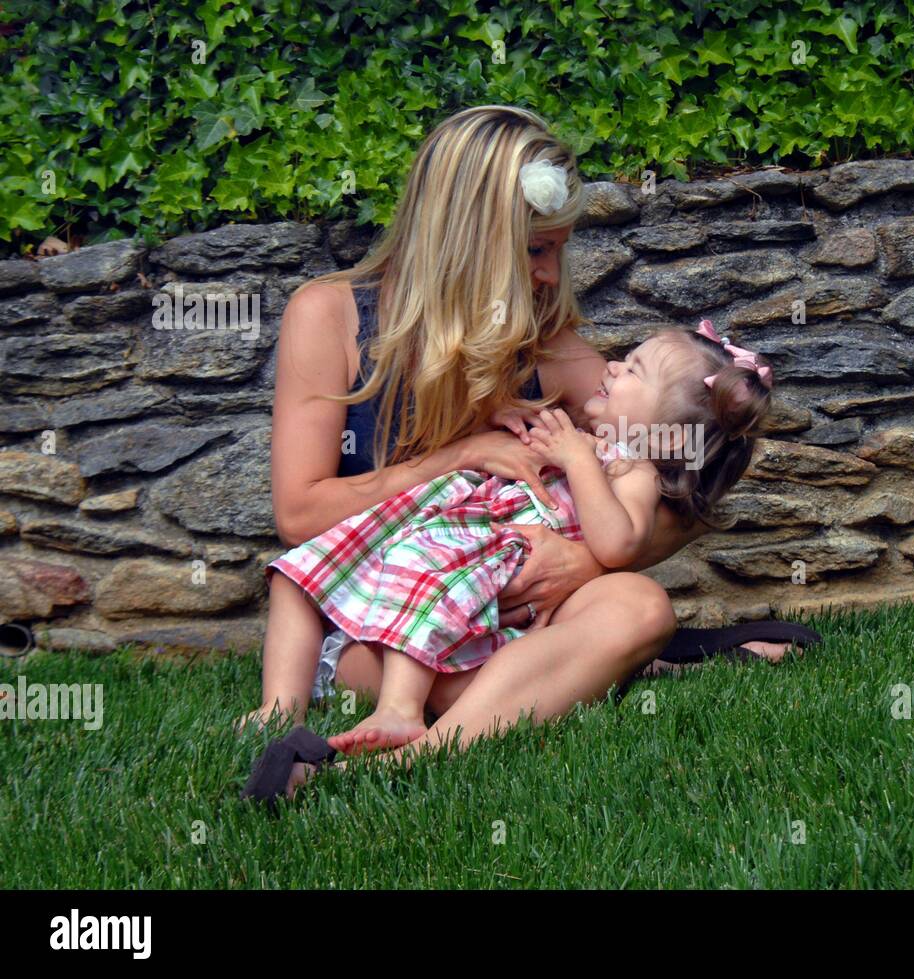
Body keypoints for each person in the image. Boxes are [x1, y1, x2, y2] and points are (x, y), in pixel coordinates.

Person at [244, 105, 814, 769]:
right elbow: (299, 514)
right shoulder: (331, 315)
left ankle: (425, 749)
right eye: (535, 249)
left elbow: (680, 455)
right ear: (467, 236)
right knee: (424, 674)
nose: (549, 274)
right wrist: (456, 458)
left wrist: (587, 561)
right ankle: (609, 674)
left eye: (559, 250)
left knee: (638, 605)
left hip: (500, 614)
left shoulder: (541, 340)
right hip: (382, 616)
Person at [259, 322, 774, 757]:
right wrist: (507, 425)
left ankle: (406, 715)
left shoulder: (632, 468)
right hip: (448, 579)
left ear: (663, 431)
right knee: (301, 574)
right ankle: (279, 712)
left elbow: (620, 544)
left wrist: (576, 462)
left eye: (633, 369)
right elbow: (522, 451)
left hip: (492, 587)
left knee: (472, 641)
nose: (612, 366)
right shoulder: (591, 442)